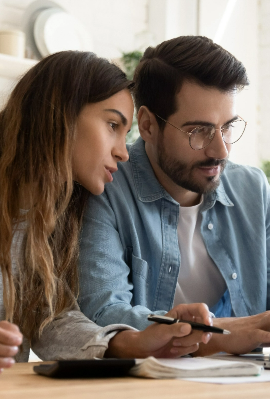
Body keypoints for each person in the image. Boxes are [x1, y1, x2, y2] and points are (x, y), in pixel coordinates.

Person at [0, 50, 212, 371]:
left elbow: (51, 319)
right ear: (59, 113)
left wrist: (132, 342)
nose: (122, 152)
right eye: (112, 124)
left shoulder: (46, 221)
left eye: (126, 135)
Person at [78, 36, 270, 357]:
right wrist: (217, 336)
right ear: (149, 125)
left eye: (227, 127)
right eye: (199, 131)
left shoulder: (252, 188)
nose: (220, 150)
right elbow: (102, 313)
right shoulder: (104, 189)